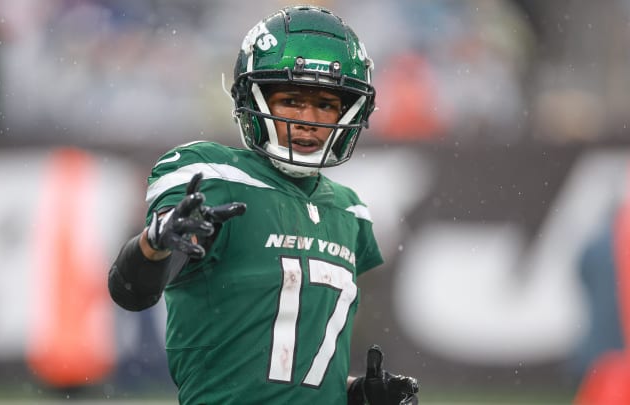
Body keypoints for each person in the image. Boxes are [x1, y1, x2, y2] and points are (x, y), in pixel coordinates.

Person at [108, 5, 419, 404]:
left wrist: (359, 394)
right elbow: (132, 291)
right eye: (292, 99)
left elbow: (294, 371)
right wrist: (155, 243)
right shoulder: (217, 177)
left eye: (326, 104)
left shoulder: (350, 211)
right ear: (254, 100)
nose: (310, 119)